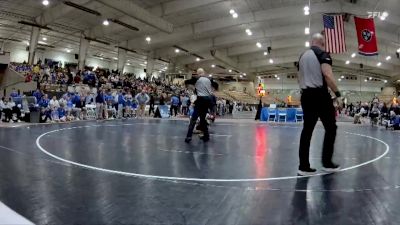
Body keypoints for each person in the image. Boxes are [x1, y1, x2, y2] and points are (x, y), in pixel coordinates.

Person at [297, 33, 341, 176]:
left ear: (312, 42)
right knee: (331, 128)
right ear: (323, 42)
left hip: (306, 95)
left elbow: (299, 77)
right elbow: (327, 75)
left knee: (307, 130)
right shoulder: (322, 54)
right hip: (320, 96)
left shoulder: (303, 55)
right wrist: (338, 94)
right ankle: (327, 163)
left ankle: (303, 166)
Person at [184, 68, 217, 143]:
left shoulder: (197, 79)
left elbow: (187, 82)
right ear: (204, 73)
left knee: (193, 119)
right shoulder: (209, 79)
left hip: (201, 100)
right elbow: (215, 86)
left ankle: (189, 137)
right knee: (202, 119)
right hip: (208, 101)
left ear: (198, 73)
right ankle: (206, 136)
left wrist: (186, 83)